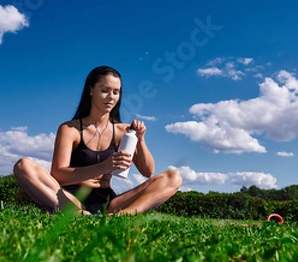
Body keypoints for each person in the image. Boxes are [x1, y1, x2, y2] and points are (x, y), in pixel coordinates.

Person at [13, 66, 182, 215]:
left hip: (108, 202)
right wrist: (104, 166)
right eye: (105, 90)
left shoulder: (124, 131)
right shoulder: (70, 129)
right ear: (91, 90)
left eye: (116, 92)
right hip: (70, 197)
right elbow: (59, 175)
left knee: (173, 177)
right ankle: (78, 214)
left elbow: (148, 172)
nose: (111, 97)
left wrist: (140, 140)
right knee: (23, 165)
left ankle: (122, 216)